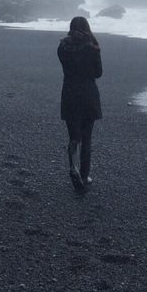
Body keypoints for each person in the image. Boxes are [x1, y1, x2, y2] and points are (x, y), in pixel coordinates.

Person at [57, 16, 102, 190]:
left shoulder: (62, 47)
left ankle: (72, 167)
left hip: (69, 91)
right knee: (87, 137)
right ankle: (84, 176)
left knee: (74, 136)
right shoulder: (92, 47)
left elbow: (66, 67)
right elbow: (98, 73)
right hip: (88, 92)